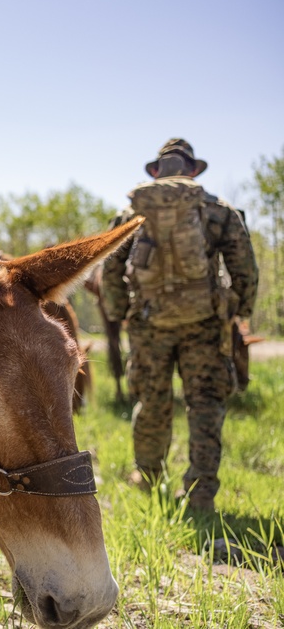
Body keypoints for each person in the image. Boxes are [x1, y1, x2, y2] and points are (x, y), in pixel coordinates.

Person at [101, 138, 258, 511]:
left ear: (156, 171)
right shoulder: (217, 210)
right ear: (192, 170)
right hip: (205, 325)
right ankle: (200, 494)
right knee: (205, 406)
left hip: (148, 323)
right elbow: (245, 269)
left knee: (152, 402)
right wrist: (238, 309)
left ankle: (149, 477)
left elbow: (110, 269)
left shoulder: (131, 214)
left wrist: (121, 311)